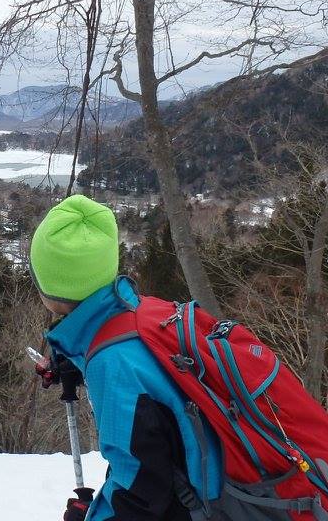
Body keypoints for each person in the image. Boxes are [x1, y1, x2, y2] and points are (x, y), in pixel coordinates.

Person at [29, 195, 223, 521]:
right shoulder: (142, 312)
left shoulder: (112, 366)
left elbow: (140, 490)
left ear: (48, 286)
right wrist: (77, 360)